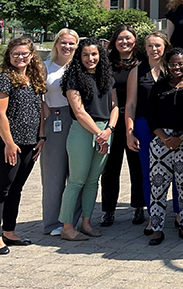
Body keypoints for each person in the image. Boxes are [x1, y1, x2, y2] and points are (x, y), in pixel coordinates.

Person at [0, 36, 47, 255]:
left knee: (16, 189)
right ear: (9, 56)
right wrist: (9, 144)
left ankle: (9, 231)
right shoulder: (3, 80)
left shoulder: (33, 79)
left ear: (32, 56)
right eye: (15, 54)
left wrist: (41, 138)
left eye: (24, 54)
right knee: (1, 189)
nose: (20, 57)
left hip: (30, 142)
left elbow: (39, 111)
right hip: (6, 143)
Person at [59, 38, 119, 242]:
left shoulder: (107, 78)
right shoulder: (73, 78)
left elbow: (115, 106)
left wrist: (109, 130)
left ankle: (86, 223)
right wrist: (98, 134)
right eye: (85, 55)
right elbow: (78, 111)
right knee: (76, 181)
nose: (90, 58)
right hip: (83, 131)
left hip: (105, 132)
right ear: (79, 57)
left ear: (100, 55)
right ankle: (67, 227)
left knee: (93, 180)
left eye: (94, 54)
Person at [146, 48, 183, 245]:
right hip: (161, 142)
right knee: (158, 186)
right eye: (173, 64)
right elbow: (150, 115)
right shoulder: (159, 87)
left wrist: (181, 137)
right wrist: (165, 138)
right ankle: (157, 228)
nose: (177, 67)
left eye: (181, 63)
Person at [125, 31, 172, 232]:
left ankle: (179, 215)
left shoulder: (173, 69)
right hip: (144, 127)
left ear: (165, 47)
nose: (154, 49)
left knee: (176, 172)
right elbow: (131, 104)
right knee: (149, 174)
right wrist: (129, 132)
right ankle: (154, 216)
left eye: (158, 46)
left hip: (169, 126)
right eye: (150, 46)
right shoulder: (137, 71)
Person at [99, 25, 144, 227]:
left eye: (128, 38)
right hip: (112, 120)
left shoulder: (142, 62)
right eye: (120, 39)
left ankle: (138, 207)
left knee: (137, 166)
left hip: (135, 119)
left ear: (135, 40)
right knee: (110, 168)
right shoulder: (106, 63)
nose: (124, 42)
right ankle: (108, 210)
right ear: (114, 41)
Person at [41, 28, 79, 236]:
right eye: (63, 42)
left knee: (77, 173)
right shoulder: (45, 67)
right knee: (53, 174)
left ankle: (73, 221)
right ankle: (52, 223)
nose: (67, 47)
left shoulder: (79, 66)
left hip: (78, 118)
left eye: (72, 43)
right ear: (56, 44)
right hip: (54, 120)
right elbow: (37, 95)